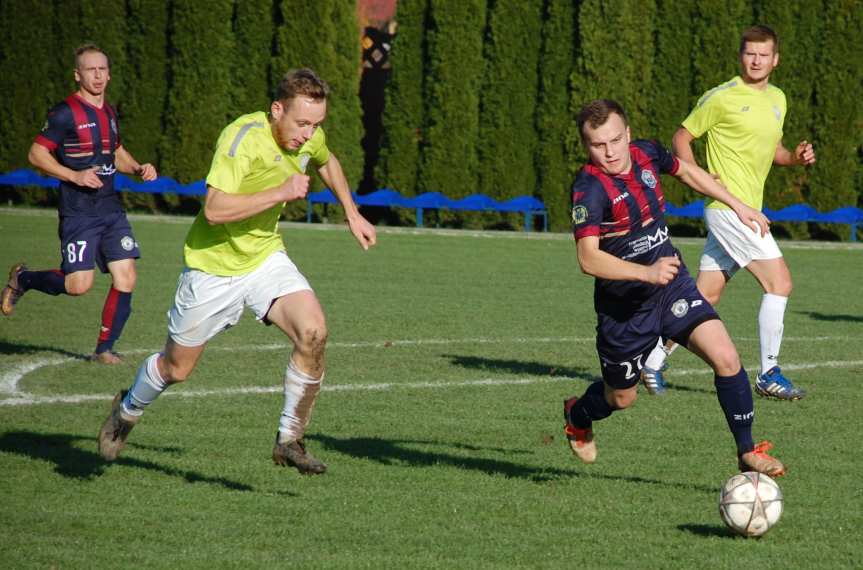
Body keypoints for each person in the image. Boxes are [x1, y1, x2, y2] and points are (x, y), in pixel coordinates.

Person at [97, 68, 377, 474]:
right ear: (276, 110)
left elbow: (326, 160)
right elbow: (213, 210)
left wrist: (352, 213)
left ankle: (290, 440)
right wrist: (281, 192)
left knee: (313, 332)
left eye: (316, 124)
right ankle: (128, 410)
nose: (308, 133)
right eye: (301, 123)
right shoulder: (241, 138)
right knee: (177, 368)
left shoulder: (309, 135)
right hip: (213, 268)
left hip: (264, 258)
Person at [563, 99, 785, 477]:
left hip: (671, 287)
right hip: (625, 311)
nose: (610, 152)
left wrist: (738, 205)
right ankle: (578, 414)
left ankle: (746, 450)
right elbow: (588, 259)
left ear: (628, 134)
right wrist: (645, 273)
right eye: (598, 145)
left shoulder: (647, 153)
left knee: (727, 358)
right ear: (587, 146)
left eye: (616, 140)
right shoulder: (589, 189)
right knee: (622, 397)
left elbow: (687, 172)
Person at [641, 25, 815, 400]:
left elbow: (774, 150)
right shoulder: (721, 97)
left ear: (775, 59)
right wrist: (695, 176)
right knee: (779, 283)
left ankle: (652, 359)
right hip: (730, 209)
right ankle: (769, 372)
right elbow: (681, 138)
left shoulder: (778, 99)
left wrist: (795, 158)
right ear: (741, 56)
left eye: (763, 54)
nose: (756, 60)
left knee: (707, 295)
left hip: (746, 209)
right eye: (750, 53)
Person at [1, 43, 158, 364]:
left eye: (102, 69)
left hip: (111, 209)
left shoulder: (109, 112)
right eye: (90, 69)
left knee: (126, 275)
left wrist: (139, 168)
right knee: (77, 286)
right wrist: (74, 176)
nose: (97, 75)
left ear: (109, 74)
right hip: (79, 212)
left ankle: (104, 349)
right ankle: (24, 279)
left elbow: (116, 150)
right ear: (78, 74)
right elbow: (36, 154)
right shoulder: (64, 113)